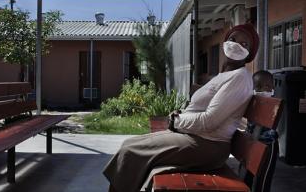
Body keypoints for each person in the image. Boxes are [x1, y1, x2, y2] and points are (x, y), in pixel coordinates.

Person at [103, 24, 259, 192]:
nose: (236, 45)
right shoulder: (226, 75)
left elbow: (210, 120)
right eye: (233, 39)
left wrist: (176, 121)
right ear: (225, 42)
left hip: (207, 145)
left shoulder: (240, 78)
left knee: (129, 151)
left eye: (244, 44)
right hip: (197, 138)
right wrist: (180, 116)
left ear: (250, 53)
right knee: (131, 145)